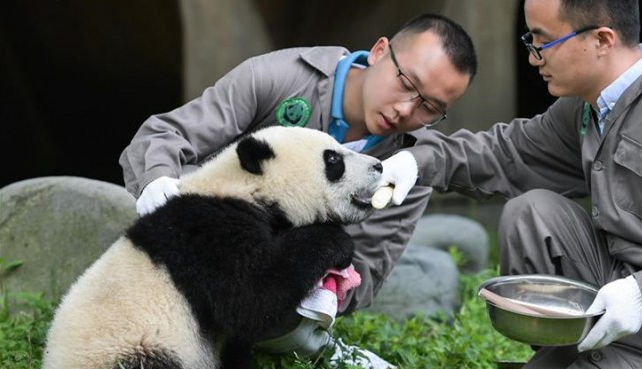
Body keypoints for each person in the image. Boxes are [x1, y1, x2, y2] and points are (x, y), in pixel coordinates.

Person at [379, 1, 642, 368]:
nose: (533, 57)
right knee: (532, 212)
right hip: (625, 307)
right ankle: (574, 351)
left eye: (543, 41)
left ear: (602, 40)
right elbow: (509, 153)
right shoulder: (591, 108)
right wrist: (418, 161)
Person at [119, 13, 477, 366]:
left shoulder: (410, 163)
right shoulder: (277, 77)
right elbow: (165, 136)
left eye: (429, 107)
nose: (405, 109)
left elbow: (367, 269)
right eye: (406, 83)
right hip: (201, 239)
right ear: (380, 51)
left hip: (282, 285)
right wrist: (157, 185)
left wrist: (306, 281)